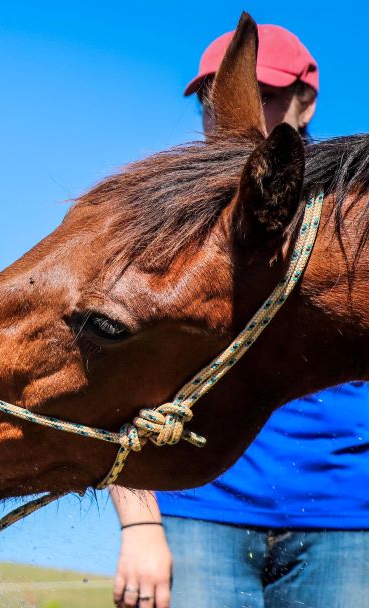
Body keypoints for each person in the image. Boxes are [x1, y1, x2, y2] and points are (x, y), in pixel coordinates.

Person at [112, 24, 369, 608]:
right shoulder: (169, 226)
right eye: (219, 98)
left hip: (349, 516)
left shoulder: (356, 221)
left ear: (306, 102)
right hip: (200, 512)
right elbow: (113, 375)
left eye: (267, 95)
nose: (239, 112)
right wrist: (140, 525)